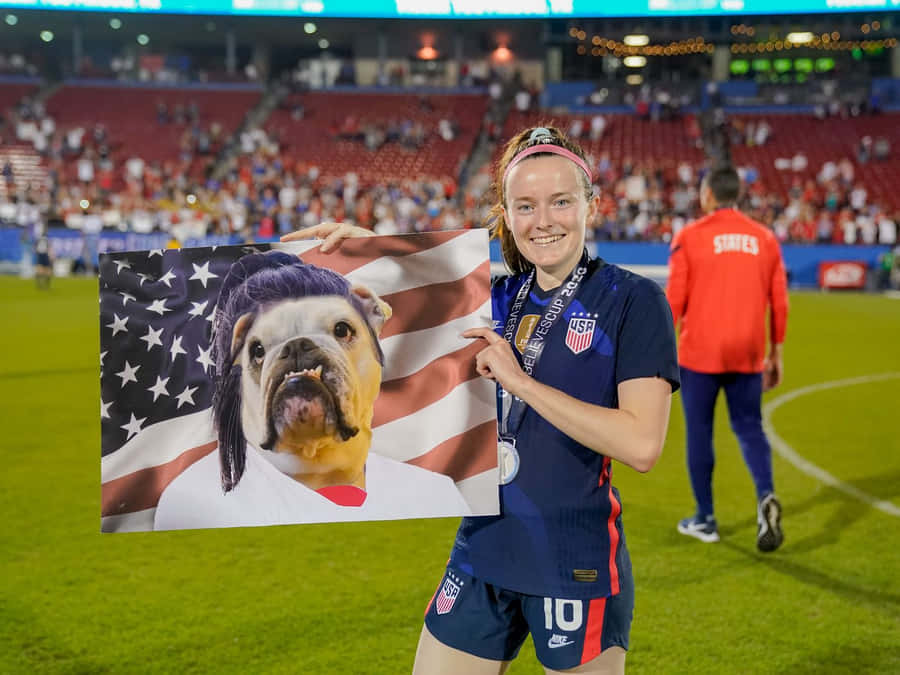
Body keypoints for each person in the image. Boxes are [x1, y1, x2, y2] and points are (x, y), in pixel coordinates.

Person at [283, 125, 679, 675]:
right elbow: (413, 308)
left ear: (592, 204)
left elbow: (641, 444)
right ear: (508, 215)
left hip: (574, 556)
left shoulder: (635, 300)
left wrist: (524, 385)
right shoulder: (496, 297)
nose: (543, 221)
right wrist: (362, 251)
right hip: (484, 545)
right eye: (525, 205)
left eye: (561, 201)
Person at [666, 163, 789, 553]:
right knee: (750, 427)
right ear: (737, 194)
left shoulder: (690, 236)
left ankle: (705, 518)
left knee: (699, 431)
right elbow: (780, 302)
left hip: (699, 352)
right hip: (749, 352)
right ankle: (765, 495)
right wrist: (776, 352)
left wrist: (659, 349)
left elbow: (673, 301)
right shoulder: (765, 238)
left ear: (707, 195)